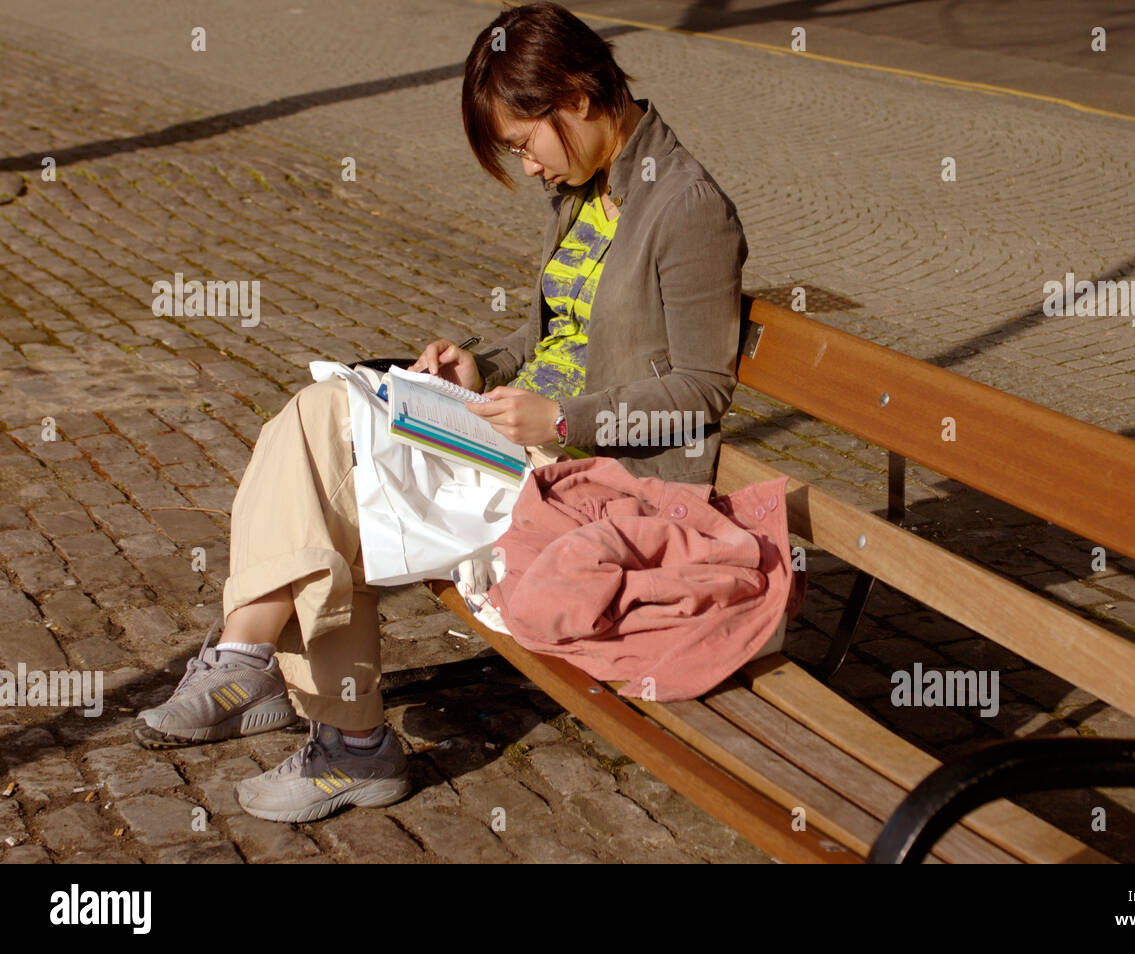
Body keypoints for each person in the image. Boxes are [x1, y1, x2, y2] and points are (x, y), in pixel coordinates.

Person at [131, 0, 749, 824]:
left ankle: (311, 712)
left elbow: (704, 390)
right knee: (321, 414)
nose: (528, 168)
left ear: (575, 93)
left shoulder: (686, 206)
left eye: (525, 144)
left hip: (592, 480)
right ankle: (294, 697)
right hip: (522, 440)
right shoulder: (591, 187)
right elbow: (551, 333)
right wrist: (480, 364)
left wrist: (561, 419)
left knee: (334, 473)